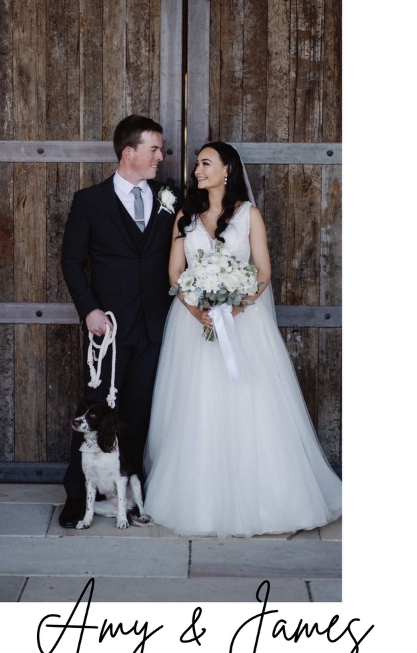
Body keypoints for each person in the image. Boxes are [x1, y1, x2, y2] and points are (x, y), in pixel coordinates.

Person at [142, 142, 342, 537]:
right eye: (198, 164)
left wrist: (236, 305)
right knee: (197, 405)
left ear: (227, 170)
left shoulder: (249, 215)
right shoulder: (186, 215)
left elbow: (264, 272)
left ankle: (265, 497)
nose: (197, 170)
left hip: (243, 323)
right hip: (193, 324)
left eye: (205, 163)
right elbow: (174, 273)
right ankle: (198, 499)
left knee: (250, 404)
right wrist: (196, 308)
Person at [58, 115, 176, 528]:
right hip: (106, 329)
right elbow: (72, 261)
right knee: (95, 411)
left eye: (161, 150)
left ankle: (133, 491)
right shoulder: (90, 201)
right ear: (129, 153)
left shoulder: (168, 196)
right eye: (154, 149)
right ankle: (76, 494)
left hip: (155, 326)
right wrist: (89, 309)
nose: (161, 156)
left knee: (141, 412)